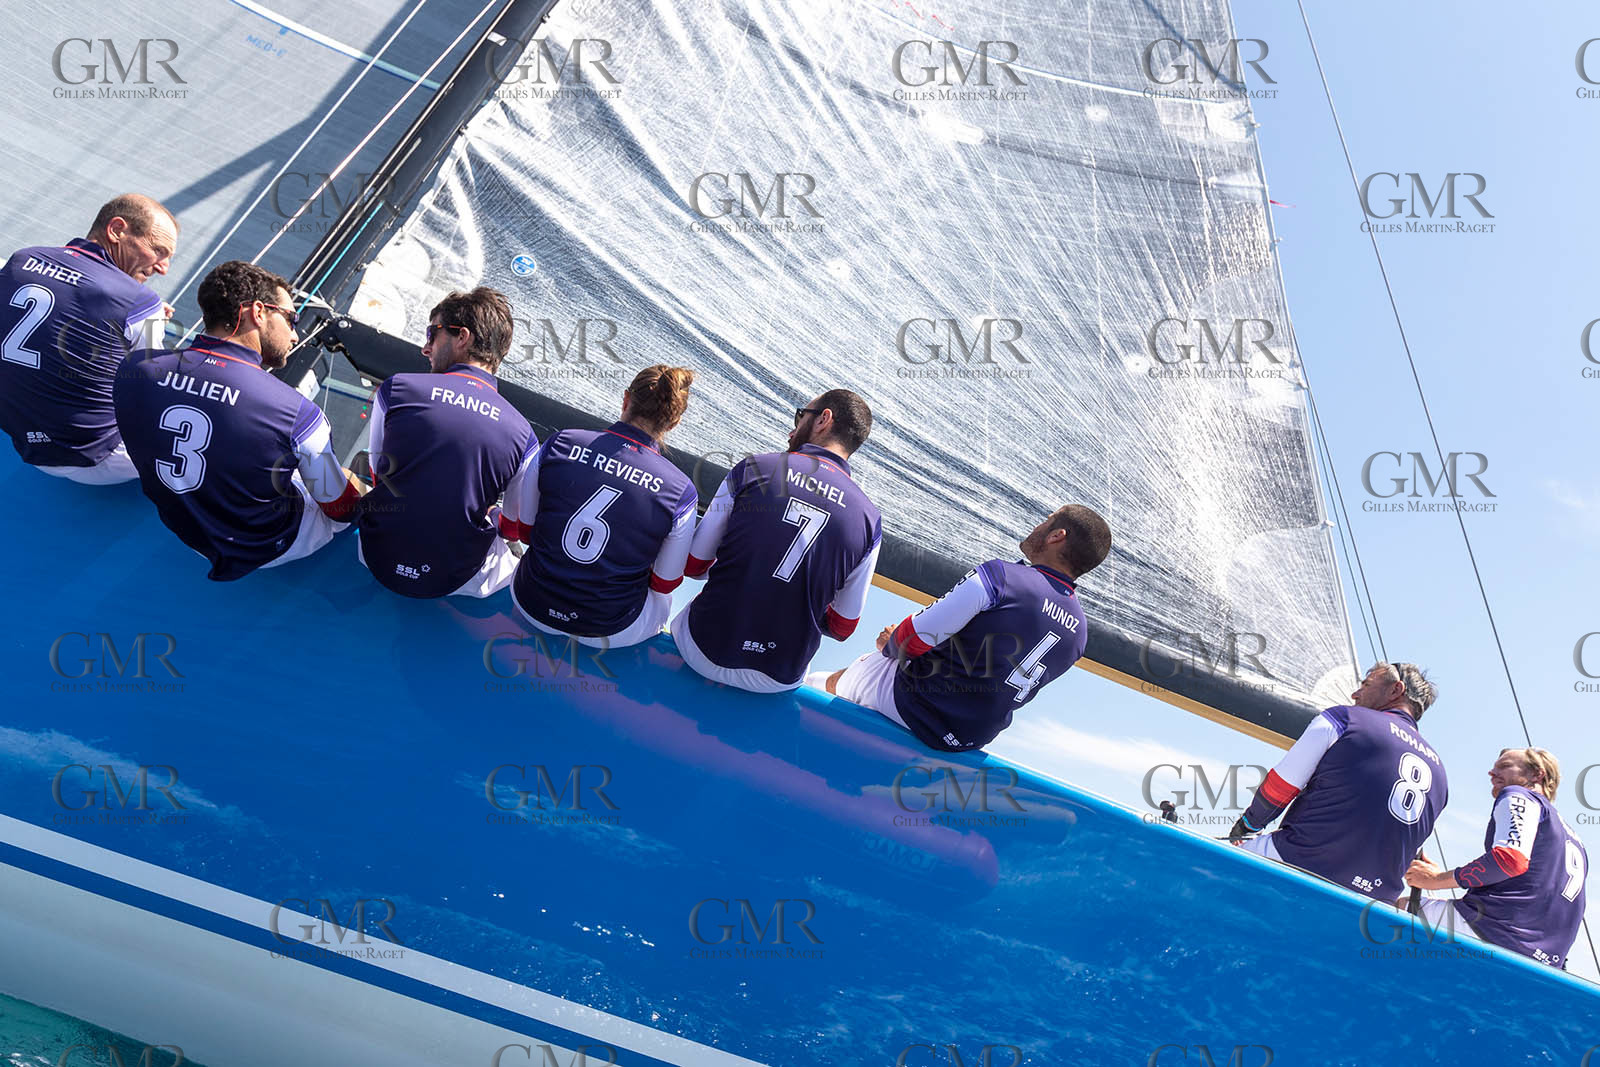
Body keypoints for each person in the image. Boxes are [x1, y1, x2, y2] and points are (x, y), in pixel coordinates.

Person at [114, 261, 364, 579]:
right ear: (258, 312)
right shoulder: (297, 413)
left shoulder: (136, 369)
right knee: (347, 480)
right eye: (291, 318)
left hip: (187, 531)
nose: (295, 332)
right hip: (268, 544)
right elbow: (336, 506)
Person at [810, 505, 1111, 752]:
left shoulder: (1001, 577)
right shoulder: (1080, 634)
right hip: (968, 740)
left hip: (914, 708)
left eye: (1046, 521)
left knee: (823, 680)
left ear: (1057, 536)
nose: (1037, 526)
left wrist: (890, 643)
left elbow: (912, 639)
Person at [670, 390, 880, 692]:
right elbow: (843, 626)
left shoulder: (755, 467)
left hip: (702, 648)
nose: (792, 430)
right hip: (777, 675)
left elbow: (693, 563)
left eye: (800, 416)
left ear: (824, 419)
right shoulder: (869, 519)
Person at [498, 365, 698, 646]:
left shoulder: (561, 442)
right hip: (609, 630)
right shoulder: (681, 491)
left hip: (530, 602)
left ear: (626, 399)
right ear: (674, 423)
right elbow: (664, 583)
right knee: (664, 599)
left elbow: (525, 531)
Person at [355, 288, 535, 598]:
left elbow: (377, 473)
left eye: (432, 334)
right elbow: (512, 528)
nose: (426, 348)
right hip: (456, 579)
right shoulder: (524, 434)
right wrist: (492, 512)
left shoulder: (396, 389)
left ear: (462, 337)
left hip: (375, 557)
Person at [1227, 662, 1448, 903]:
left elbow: (1282, 785)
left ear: (1396, 690)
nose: (1355, 694)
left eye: (1366, 684)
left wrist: (1247, 826)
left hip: (1298, 864)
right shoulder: (1441, 773)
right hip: (1373, 901)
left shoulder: (1344, 718)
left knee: (1217, 863)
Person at [0, 194, 177, 483]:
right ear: (117, 230)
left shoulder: (22, 259)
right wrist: (150, 316)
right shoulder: (142, 303)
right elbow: (149, 388)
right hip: (91, 458)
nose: (163, 267)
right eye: (158, 250)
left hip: (17, 431)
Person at [1405, 747, 1589, 969]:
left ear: (1537, 774)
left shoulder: (1518, 794)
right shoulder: (1573, 837)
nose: (1491, 773)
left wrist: (1435, 880)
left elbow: (1510, 860)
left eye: (1503, 766)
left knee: (1396, 907)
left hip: (1496, 935)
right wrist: (1439, 877)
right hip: (1546, 961)